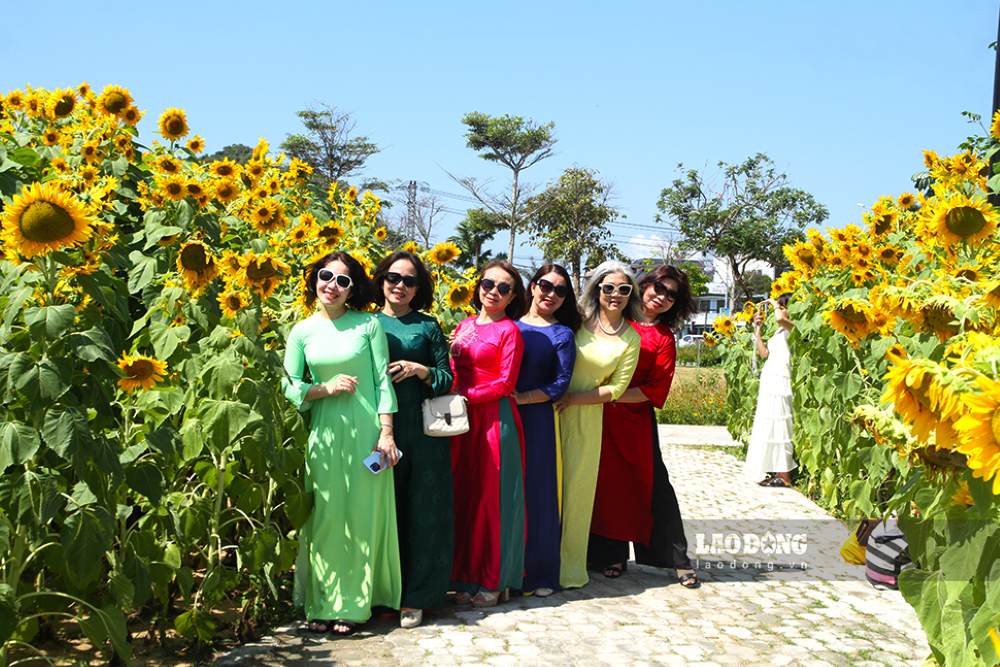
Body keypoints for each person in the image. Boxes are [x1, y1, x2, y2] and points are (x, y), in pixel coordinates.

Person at [281, 251, 401, 636]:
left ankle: (353, 605)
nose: (332, 285)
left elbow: (382, 380)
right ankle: (322, 603)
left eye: (343, 280)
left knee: (362, 519)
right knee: (327, 518)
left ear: (353, 289)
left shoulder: (367, 325)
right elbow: (289, 384)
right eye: (325, 275)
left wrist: (386, 433)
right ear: (314, 279)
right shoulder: (302, 331)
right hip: (325, 433)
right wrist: (323, 389)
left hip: (367, 433)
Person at [589, 265, 701, 589]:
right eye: (658, 288)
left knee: (654, 487)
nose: (661, 297)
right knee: (605, 485)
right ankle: (611, 554)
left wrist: (608, 396)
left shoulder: (664, 338)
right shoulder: (615, 319)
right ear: (644, 285)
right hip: (595, 416)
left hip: (634, 419)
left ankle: (676, 558)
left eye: (670, 295)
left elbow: (655, 389)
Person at [373, 251, 454, 629]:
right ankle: (379, 593)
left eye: (409, 280)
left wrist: (421, 370)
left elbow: (446, 378)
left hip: (423, 433)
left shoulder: (428, 326)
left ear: (418, 288)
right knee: (380, 511)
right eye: (393, 277)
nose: (399, 286)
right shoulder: (365, 323)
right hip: (375, 429)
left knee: (423, 512)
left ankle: (417, 597)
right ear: (381, 280)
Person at [554, 261, 640, 589]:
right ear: (597, 289)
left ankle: (567, 568)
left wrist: (572, 400)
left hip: (585, 420)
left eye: (623, 289)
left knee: (575, 495)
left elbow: (617, 388)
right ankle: (531, 564)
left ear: (630, 294)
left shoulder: (630, 338)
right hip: (545, 409)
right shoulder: (577, 321)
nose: (615, 295)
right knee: (544, 488)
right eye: (608, 288)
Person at [449, 260, 527, 607]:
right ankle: (463, 575)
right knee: (462, 494)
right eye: (487, 283)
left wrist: (466, 397)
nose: (493, 291)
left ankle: (495, 579)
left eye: (503, 287)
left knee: (491, 502)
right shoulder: (464, 325)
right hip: (457, 420)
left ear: (512, 296)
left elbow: (506, 382)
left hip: (494, 421)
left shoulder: (510, 331)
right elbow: (451, 367)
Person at [513, 264, 580, 597]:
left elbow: (560, 384)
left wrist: (521, 398)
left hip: (537, 418)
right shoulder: (508, 324)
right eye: (545, 285)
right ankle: (502, 571)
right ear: (532, 286)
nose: (551, 294)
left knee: (537, 493)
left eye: (560, 290)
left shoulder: (562, 334)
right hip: (501, 417)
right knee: (502, 491)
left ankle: (539, 573)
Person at [744, 293, 796, 487]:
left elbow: (781, 318)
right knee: (769, 424)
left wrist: (773, 303)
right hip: (770, 380)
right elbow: (764, 353)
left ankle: (785, 475)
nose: (780, 309)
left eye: (784, 306)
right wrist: (757, 330)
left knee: (781, 424)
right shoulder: (779, 333)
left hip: (783, 381)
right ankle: (775, 471)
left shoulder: (795, 328)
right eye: (780, 306)